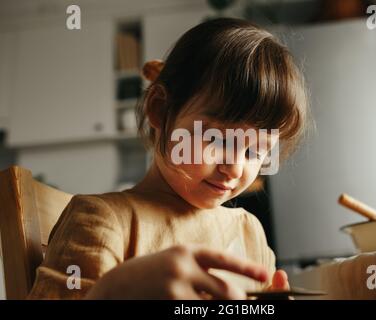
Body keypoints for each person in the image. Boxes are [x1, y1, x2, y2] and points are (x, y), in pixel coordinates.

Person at [28, 17, 310, 299]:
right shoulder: (100, 221)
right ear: (160, 110)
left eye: (253, 152)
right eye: (218, 139)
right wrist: (115, 292)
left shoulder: (250, 232)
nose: (234, 168)